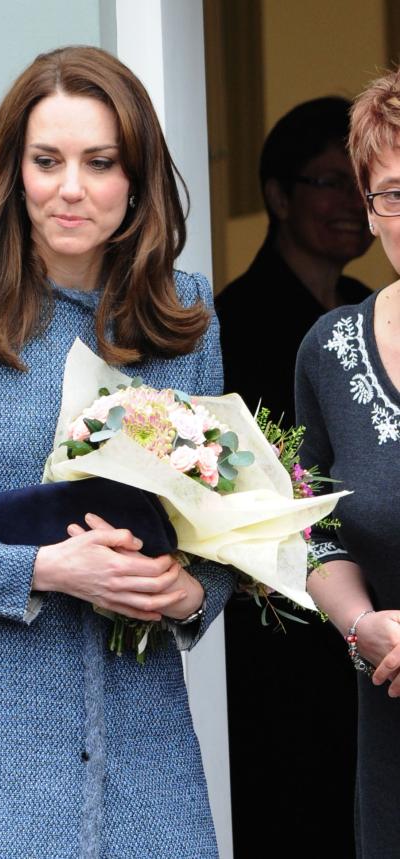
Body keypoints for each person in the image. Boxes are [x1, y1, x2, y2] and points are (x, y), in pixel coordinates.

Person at [0, 46, 233, 859]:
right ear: (13, 169)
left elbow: (221, 530)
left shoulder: (187, 314)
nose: (71, 187)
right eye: (47, 160)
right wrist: (46, 569)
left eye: (100, 163)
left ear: (135, 178)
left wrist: (185, 594)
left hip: (147, 738)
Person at [216, 98, 373, 859]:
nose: (351, 204)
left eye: (361, 185)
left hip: (377, 621)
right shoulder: (232, 319)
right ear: (278, 197)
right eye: (328, 182)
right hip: (279, 628)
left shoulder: (367, 311)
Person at [295, 69, 400, 858]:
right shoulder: (330, 352)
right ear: (369, 209)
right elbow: (313, 526)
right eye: (393, 193)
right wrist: (361, 624)